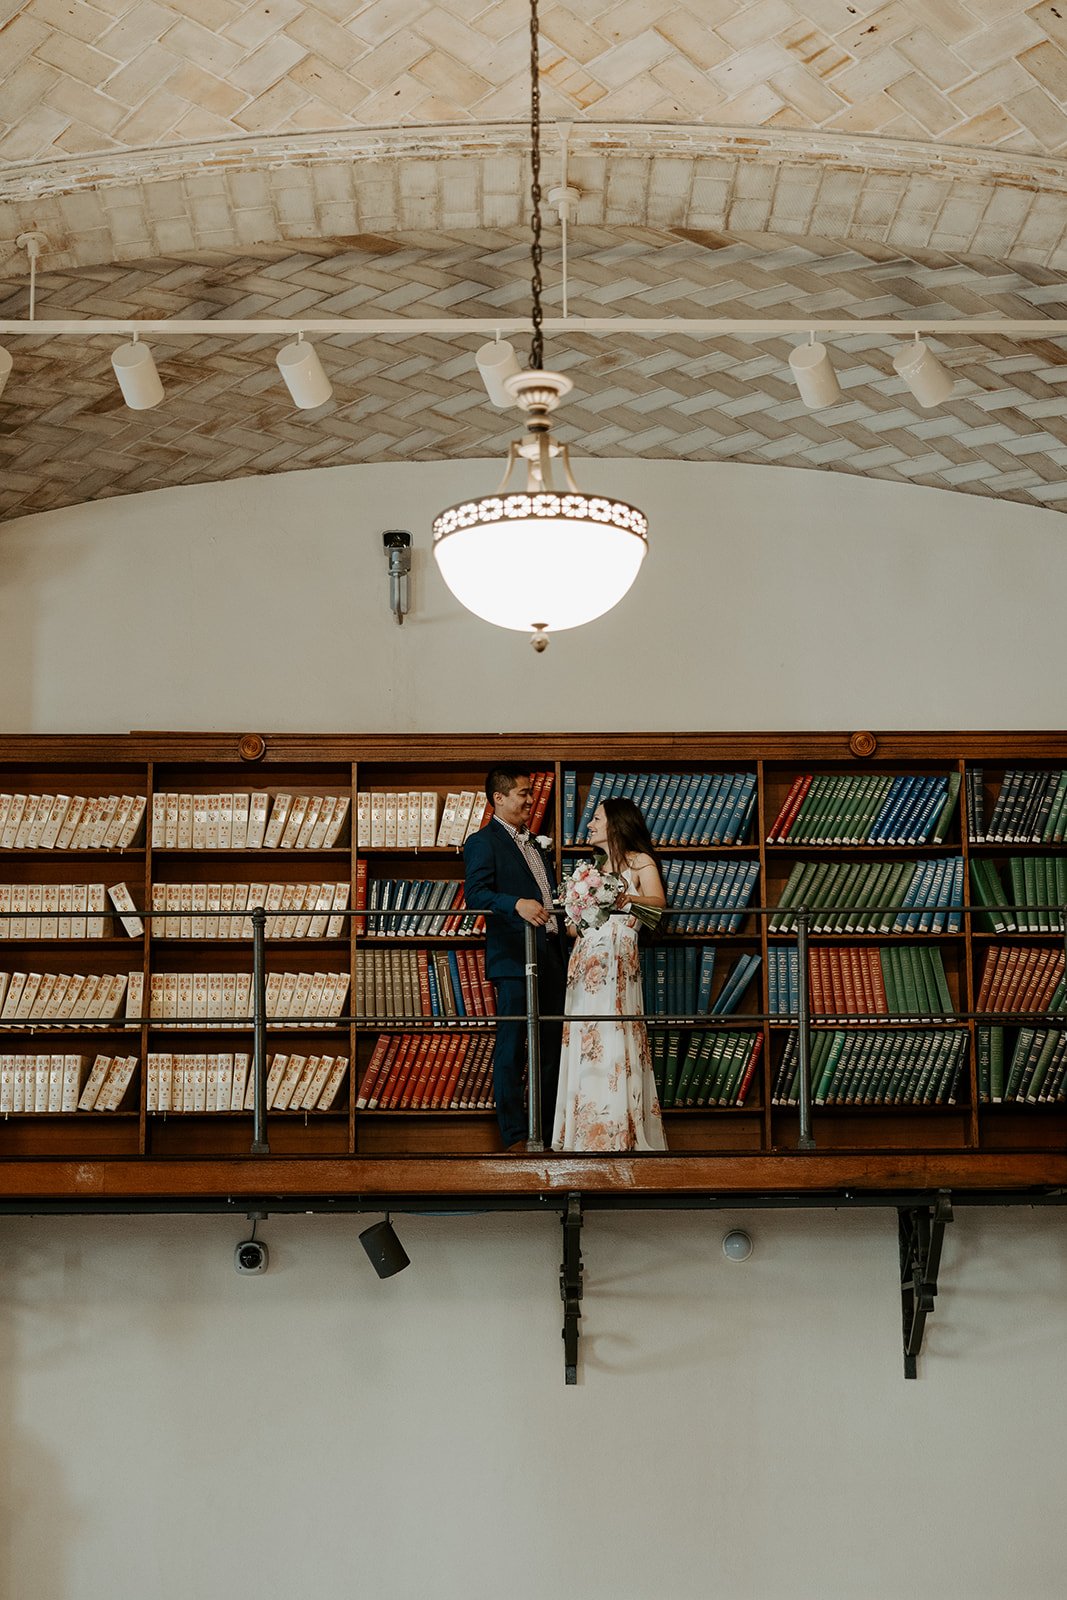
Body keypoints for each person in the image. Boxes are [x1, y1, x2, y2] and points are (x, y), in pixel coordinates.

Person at [552, 796, 668, 1153]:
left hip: (619, 958)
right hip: (588, 959)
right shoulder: (592, 872)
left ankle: (621, 1132)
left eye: (597, 819)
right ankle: (583, 1133)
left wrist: (623, 900)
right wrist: (575, 912)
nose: (589, 825)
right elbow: (576, 929)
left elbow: (659, 902)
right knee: (588, 1039)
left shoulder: (639, 862)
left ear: (616, 824)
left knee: (616, 1035)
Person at [463, 765, 566, 1152]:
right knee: (512, 1047)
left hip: (552, 957)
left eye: (530, 792)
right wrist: (517, 903)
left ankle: (549, 1130)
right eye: (523, 793)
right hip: (514, 959)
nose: (530, 799)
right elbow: (476, 894)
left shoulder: (536, 844)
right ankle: (515, 1136)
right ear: (499, 799)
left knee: (552, 1047)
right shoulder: (482, 842)